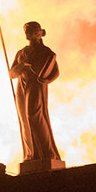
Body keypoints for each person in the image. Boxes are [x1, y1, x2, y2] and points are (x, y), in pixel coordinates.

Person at [10, 21, 60, 161]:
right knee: (24, 119)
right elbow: (11, 74)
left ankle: (47, 152)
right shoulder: (21, 53)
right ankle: (31, 154)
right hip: (22, 85)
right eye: (26, 31)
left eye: (31, 31)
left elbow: (55, 71)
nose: (27, 33)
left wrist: (46, 80)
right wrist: (21, 65)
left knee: (34, 115)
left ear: (38, 33)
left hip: (35, 85)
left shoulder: (45, 52)